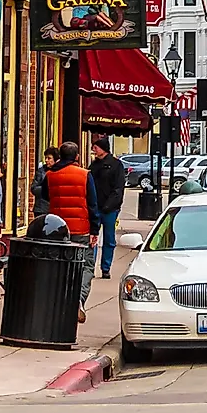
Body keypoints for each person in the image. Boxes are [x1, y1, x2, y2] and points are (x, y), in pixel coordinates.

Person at [42, 142, 96, 321]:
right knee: (85, 265)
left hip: (56, 229)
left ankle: (56, 302)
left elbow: (44, 195)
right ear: (77, 157)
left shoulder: (50, 175)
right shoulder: (85, 175)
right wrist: (95, 230)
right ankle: (78, 299)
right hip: (81, 229)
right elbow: (92, 204)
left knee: (58, 265)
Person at [87, 136, 129, 278]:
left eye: (96, 147)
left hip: (110, 209)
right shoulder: (94, 165)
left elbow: (118, 188)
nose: (93, 149)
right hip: (94, 207)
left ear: (103, 149)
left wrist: (109, 205)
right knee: (92, 238)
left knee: (109, 239)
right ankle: (90, 266)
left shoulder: (116, 165)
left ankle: (106, 268)